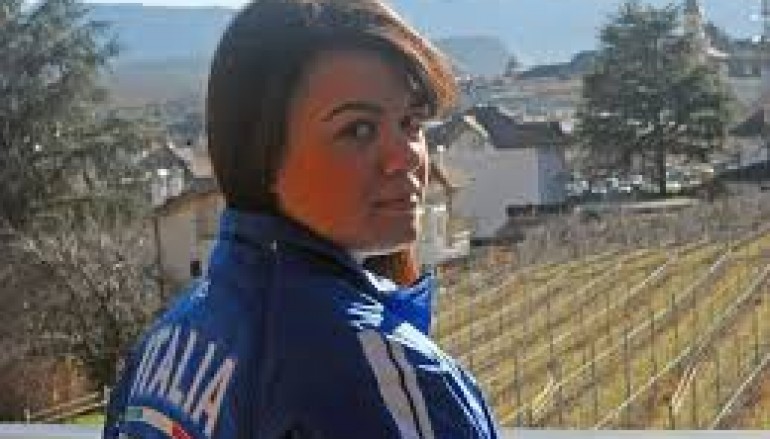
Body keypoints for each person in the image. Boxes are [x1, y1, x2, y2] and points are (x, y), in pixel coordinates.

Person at [104, 0, 499, 437]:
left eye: (411, 122)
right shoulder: (375, 377)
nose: (405, 157)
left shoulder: (168, 341)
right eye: (359, 129)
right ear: (263, 156)